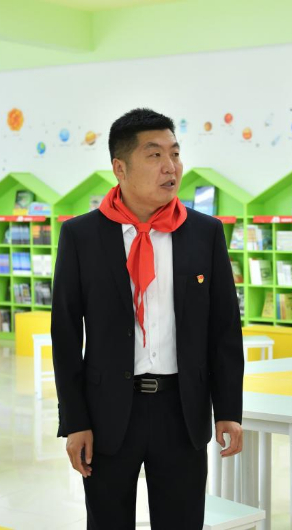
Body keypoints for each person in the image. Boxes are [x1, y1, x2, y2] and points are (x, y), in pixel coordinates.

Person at [51, 108, 245, 529]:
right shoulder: (81, 236)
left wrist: (229, 409)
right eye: (154, 155)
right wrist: (75, 421)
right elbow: (65, 336)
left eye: (175, 153)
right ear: (120, 168)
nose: (170, 166)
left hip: (182, 411)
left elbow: (224, 330)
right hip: (107, 413)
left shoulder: (205, 233)